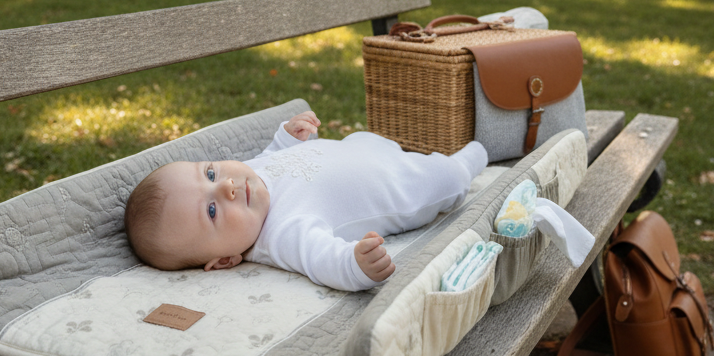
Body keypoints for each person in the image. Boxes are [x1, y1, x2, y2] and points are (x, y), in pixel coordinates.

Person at [124, 111, 488, 291]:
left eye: (209, 174)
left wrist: (287, 138)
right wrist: (357, 265)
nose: (226, 187)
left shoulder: (246, 176)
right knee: (444, 178)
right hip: (401, 187)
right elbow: (323, 260)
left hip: (359, 148)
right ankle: (471, 159)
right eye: (212, 210)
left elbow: (272, 157)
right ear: (224, 260)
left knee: (365, 139)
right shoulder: (282, 234)